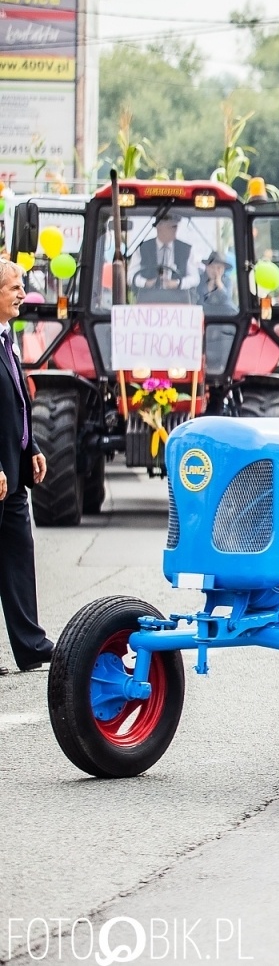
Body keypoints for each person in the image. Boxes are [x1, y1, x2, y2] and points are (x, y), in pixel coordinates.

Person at [0, 260, 53, 672]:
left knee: (19, 553)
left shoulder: (7, 338)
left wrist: (30, 445)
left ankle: (31, 645)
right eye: (14, 288)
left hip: (14, 470)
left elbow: (16, 401)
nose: (22, 294)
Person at [133, 218, 200, 292]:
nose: (175, 230)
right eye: (171, 226)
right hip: (148, 299)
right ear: (159, 227)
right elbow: (131, 275)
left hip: (178, 299)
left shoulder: (186, 249)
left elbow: (195, 278)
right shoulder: (142, 248)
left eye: (176, 226)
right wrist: (145, 283)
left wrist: (177, 283)